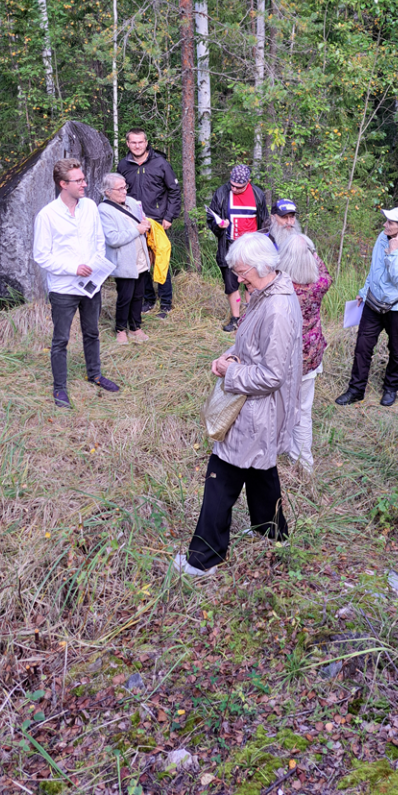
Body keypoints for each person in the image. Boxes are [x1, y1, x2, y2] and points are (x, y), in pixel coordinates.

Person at [173, 233, 302, 577]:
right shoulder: (264, 293)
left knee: (222, 475)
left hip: (257, 409)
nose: (238, 278)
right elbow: (252, 347)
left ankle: (205, 558)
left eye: (242, 271)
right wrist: (229, 357)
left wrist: (232, 372)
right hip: (257, 408)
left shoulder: (276, 307)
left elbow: (272, 375)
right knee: (260, 469)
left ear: (263, 266)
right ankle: (273, 533)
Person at [33, 158, 120, 409]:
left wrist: (96, 266)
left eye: (83, 179)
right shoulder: (47, 215)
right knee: (61, 339)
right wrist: (74, 269)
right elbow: (41, 255)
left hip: (91, 284)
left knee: (92, 331)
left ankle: (94, 374)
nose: (85, 184)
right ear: (63, 184)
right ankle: (59, 388)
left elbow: (99, 240)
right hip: (64, 289)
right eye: (78, 180)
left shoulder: (90, 207)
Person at [335, 206, 398, 407]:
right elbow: (374, 268)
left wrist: (393, 252)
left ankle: (391, 389)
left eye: (390, 223)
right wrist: (364, 290)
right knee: (362, 347)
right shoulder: (382, 236)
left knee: (397, 349)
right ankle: (356, 390)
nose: (385, 225)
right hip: (373, 302)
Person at [277, 234, 332, 471]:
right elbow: (325, 273)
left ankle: (278, 450)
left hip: (283, 358)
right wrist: (311, 252)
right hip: (310, 356)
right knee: (303, 410)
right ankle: (304, 462)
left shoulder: (279, 288)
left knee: (278, 407)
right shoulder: (318, 286)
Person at [117, 129, 181, 320]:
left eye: (140, 142)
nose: (137, 145)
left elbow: (174, 191)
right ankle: (148, 300)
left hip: (157, 221)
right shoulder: (123, 166)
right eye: (133, 142)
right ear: (127, 144)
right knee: (141, 262)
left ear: (146, 142)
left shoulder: (160, 164)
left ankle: (166, 303)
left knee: (161, 260)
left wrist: (169, 216)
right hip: (134, 222)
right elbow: (119, 194)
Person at [206, 164, 269, 332]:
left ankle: (251, 318)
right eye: (232, 185)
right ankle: (235, 319)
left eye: (239, 187)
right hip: (229, 246)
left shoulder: (257, 194)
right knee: (231, 284)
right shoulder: (221, 192)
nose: (234, 188)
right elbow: (210, 218)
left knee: (251, 283)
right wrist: (219, 226)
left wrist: (264, 244)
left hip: (251, 248)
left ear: (248, 182)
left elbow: (265, 221)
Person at [98, 173, 152, 346]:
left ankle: (135, 327)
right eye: (119, 188)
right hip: (124, 261)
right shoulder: (104, 210)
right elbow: (112, 239)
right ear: (107, 191)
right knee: (125, 297)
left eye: (125, 187)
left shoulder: (131, 202)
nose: (124, 191)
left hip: (140, 258)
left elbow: (141, 222)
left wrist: (145, 225)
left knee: (138, 295)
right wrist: (138, 229)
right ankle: (121, 329)